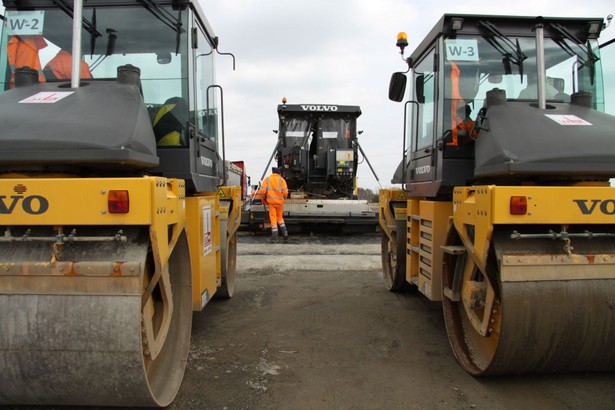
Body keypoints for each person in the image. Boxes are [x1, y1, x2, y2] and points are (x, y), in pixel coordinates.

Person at [257, 167, 289, 243]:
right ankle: (285, 233)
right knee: (280, 218)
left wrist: (263, 198)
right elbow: (285, 193)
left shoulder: (267, 179)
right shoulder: (282, 180)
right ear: (279, 173)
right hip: (280, 203)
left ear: (273, 172)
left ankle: (275, 237)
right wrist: (284, 199)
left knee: (273, 219)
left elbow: (262, 191)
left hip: (271, 203)